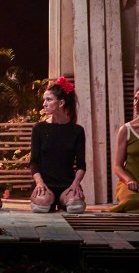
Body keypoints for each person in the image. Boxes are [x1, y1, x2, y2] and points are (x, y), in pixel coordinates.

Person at [29, 76, 87, 213]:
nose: (44, 104)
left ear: (61, 103)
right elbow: (33, 162)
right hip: (45, 184)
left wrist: (76, 183)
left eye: (49, 100)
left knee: (76, 206)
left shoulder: (77, 131)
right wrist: (39, 183)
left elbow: (81, 165)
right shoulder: (39, 129)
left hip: (67, 185)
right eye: (44, 100)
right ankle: (47, 200)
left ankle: (63, 202)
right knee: (41, 205)